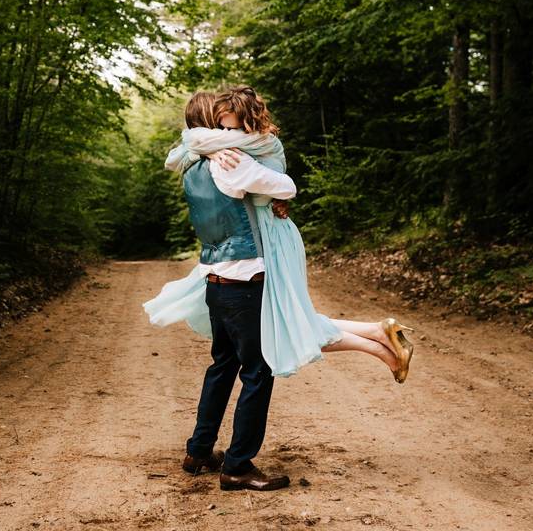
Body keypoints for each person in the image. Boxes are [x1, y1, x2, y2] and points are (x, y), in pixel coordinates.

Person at [145, 86, 414, 382]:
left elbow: (278, 182)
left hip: (270, 245)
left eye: (226, 124)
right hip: (251, 249)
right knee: (287, 320)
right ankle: (378, 335)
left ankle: (381, 346)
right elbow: (188, 147)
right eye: (218, 124)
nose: (222, 129)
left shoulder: (238, 153)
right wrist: (210, 148)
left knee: (286, 322)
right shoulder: (213, 153)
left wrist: (216, 151)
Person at [170, 90, 297, 491]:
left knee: (222, 365)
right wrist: (280, 193)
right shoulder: (234, 160)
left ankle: (199, 450)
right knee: (259, 371)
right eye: (219, 119)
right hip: (245, 280)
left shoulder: (193, 163)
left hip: (215, 278)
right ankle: (238, 465)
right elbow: (285, 186)